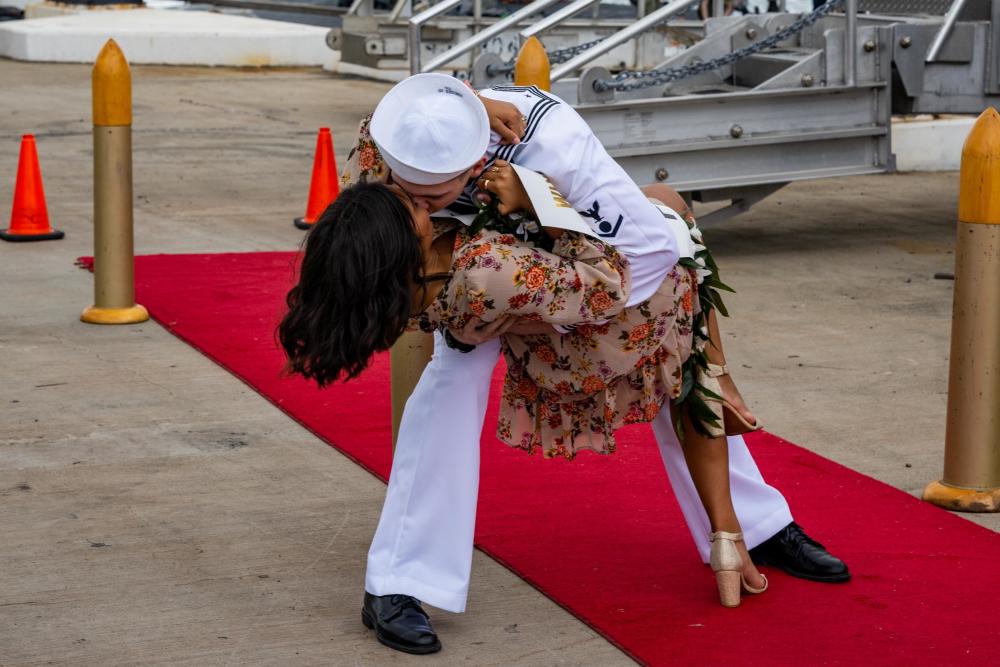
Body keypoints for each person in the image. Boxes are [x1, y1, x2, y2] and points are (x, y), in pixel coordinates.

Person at [336, 74, 849, 654]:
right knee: (450, 379)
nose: (414, 207)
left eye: (430, 198)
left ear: (476, 158)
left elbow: (649, 256)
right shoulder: (394, 131)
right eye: (405, 192)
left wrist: (539, 310)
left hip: (587, 261)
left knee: (665, 353)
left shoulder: (561, 149)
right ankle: (399, 580)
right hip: (476, 268)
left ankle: (755, 527)